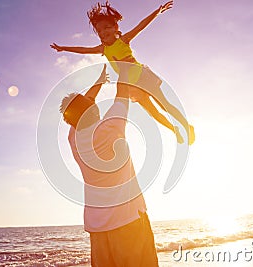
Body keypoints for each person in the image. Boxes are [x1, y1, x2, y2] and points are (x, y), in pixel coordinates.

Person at [52, 0, 195, 145]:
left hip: (142, 77)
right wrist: (64, 48)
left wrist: (157, 12)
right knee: (154, 113)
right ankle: (174, 130)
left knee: (164, 106)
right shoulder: (103, 49)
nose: (103, 32)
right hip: (132, 86)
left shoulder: (123, 40)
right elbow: (83, 50)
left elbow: (141, 26)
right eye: (99, 31)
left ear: (115, 27)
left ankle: (187, 127)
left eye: (106, 28)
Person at [60, 64, 159, 266]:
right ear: (91, 108)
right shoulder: (110, 127)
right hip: (129, 221)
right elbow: (122, 91)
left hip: (98, 229)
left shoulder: (74, 139)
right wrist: (123, 66)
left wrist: (98, 83)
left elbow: (82, 108)